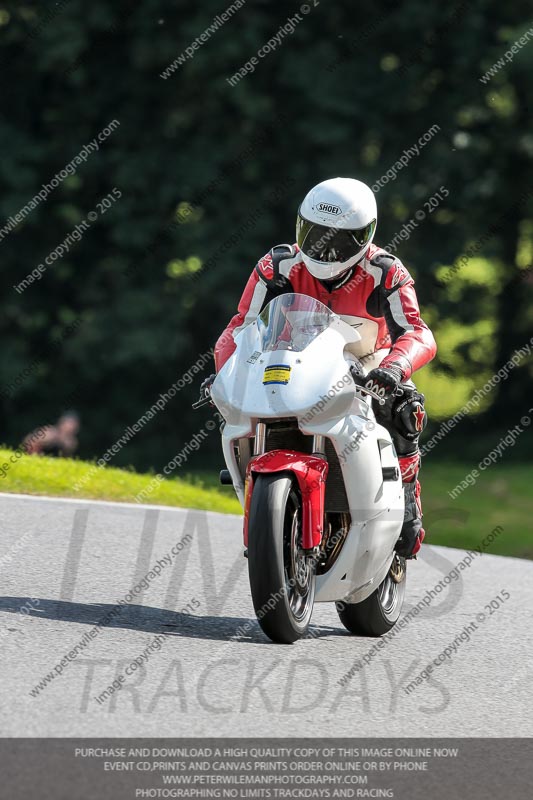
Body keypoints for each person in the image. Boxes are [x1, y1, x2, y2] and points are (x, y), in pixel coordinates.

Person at [204, 177, 436, 558]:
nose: (326, 251)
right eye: (315, 236)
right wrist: (227, 372)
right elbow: (240, 326)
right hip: (293, 357)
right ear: (300, 226)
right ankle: (258, 488)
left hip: (366, 360)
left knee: (404, 407)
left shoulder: (386, 271)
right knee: (235, 405)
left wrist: (394, 369)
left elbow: (418, 332)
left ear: (365, 236)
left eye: (340, 240)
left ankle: (408, 495)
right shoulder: (277, 264)